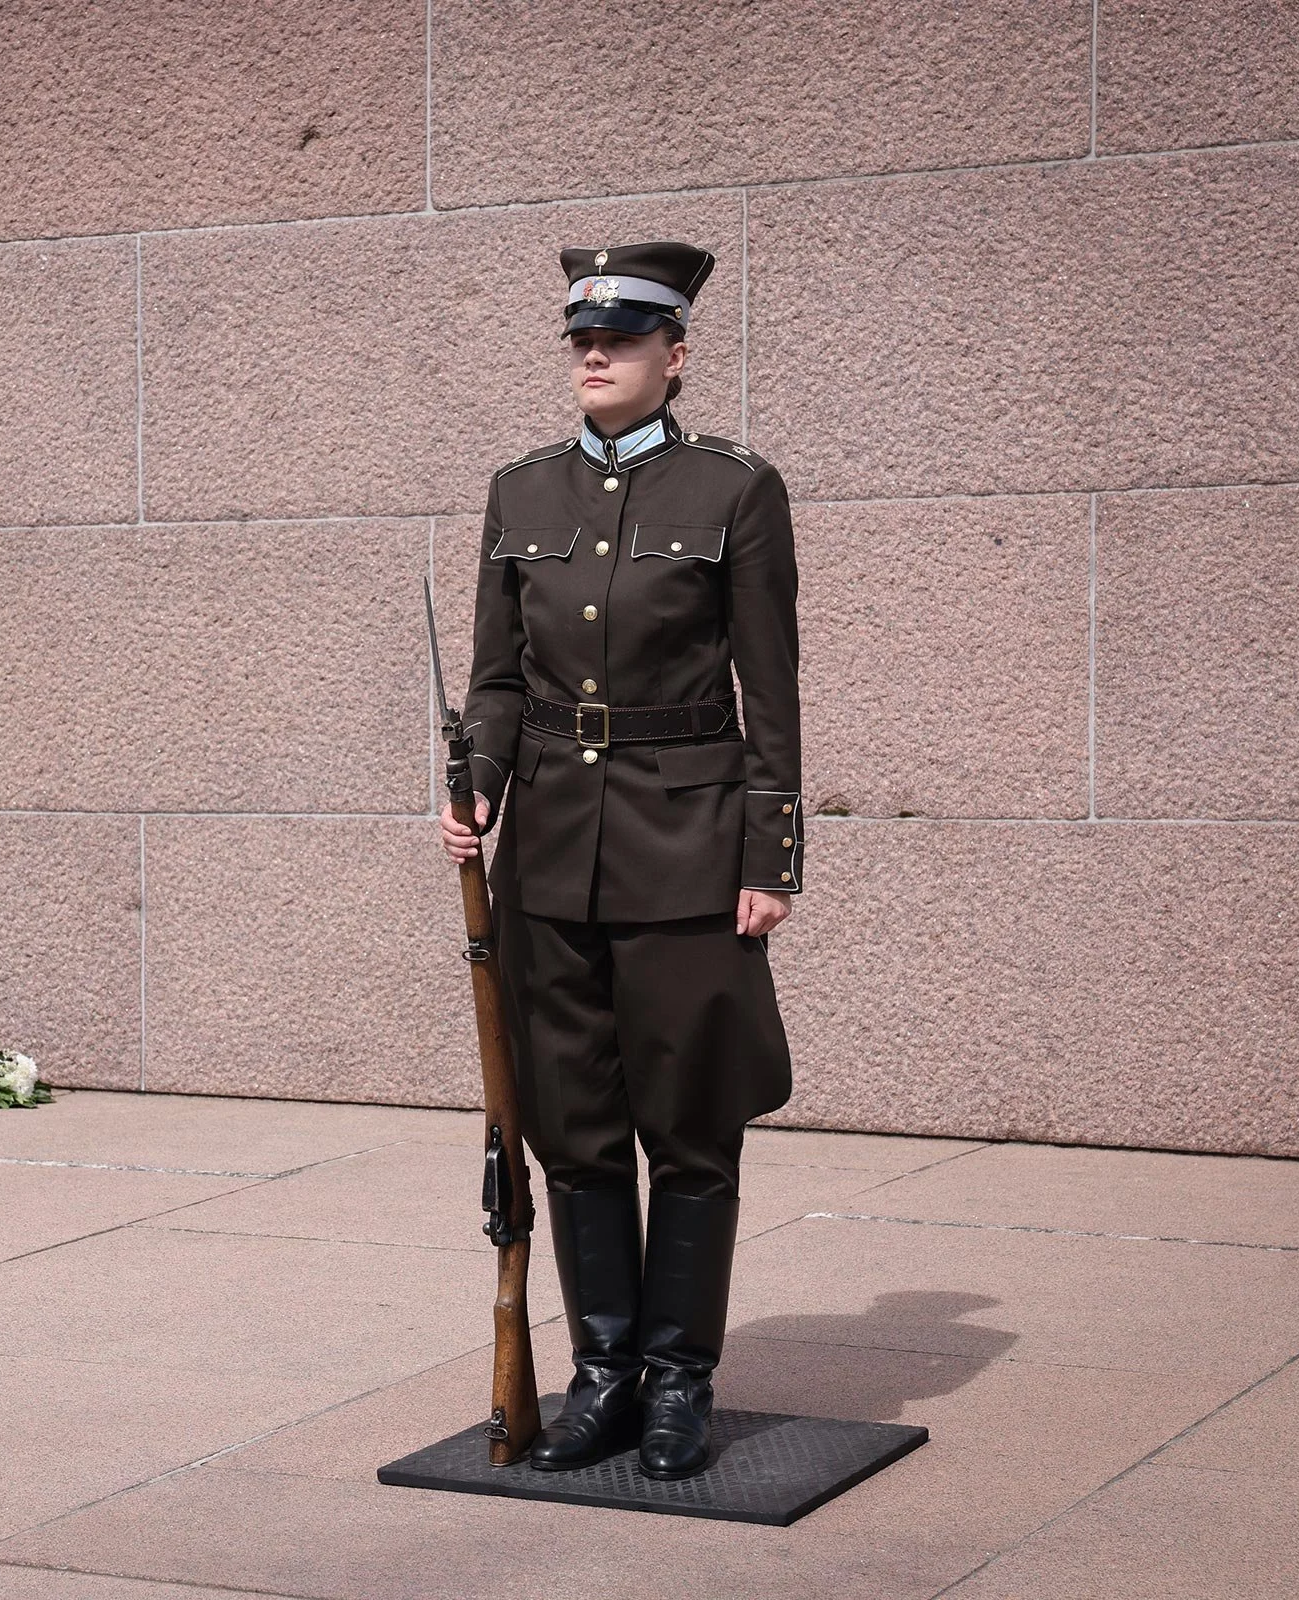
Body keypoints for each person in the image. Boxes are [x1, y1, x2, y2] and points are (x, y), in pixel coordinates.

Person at [438, 241, 801, 1478]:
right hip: (548, 851)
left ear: (675, 354)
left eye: (625, 338)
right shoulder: (520, 492)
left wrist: (773, 854)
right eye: (582, 340)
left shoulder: (736, 491)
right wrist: (477, 786)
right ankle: (602, 1373)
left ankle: (681, 1383)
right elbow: (498, 680)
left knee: (690, 1128)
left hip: (691, 844)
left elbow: (772, 690)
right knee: (575, 1125)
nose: (595, 355)